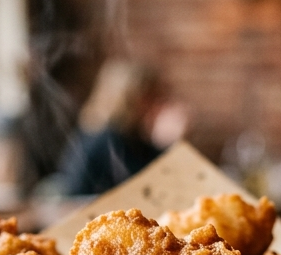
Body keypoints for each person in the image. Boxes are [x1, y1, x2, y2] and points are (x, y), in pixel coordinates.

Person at [59, 60, 189, 196]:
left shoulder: (134, 137)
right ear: (130, 99)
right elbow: (149, 189)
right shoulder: (105, 140)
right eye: (153, 97)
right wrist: (170, 147)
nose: (160, 104)